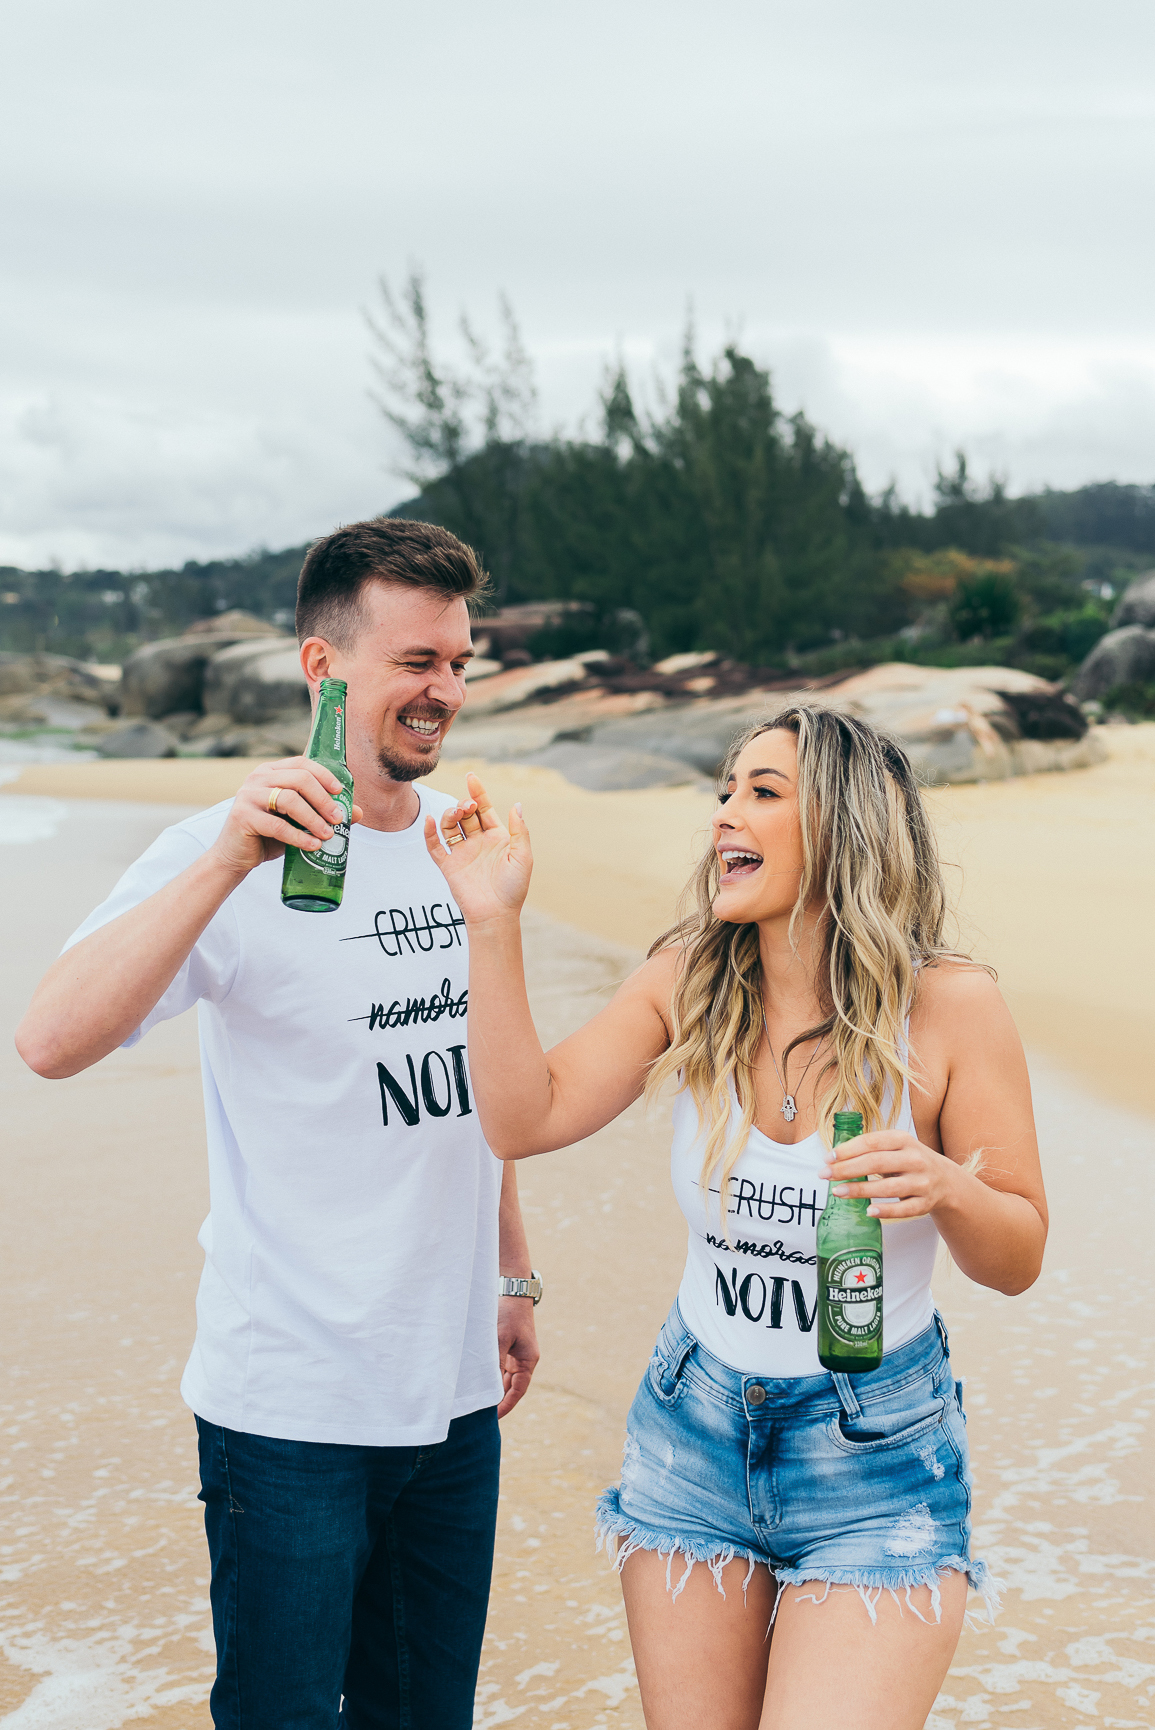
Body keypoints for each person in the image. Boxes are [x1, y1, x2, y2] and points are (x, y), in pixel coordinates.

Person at [424, 705, 1048, 1730]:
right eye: (725, 788)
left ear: (845, 826)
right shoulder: (690, 975)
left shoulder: (949, 1006)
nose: (726, 813)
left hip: (875, 1448)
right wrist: (491, 921)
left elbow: (1018, 1252)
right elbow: (523, 1114)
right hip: (693, 1427)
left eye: (763, 791)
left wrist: (946, 1181)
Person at [16, 516, 541, 1730]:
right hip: (290, 1409)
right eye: (417, 661)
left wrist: (514, 1270)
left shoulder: (474, 840)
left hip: (453, 1393)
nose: (445, 689)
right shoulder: (226, 845)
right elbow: (48, 1039)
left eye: (460, 661)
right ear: (323, 668)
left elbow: (480, 1083)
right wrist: (223, 863)